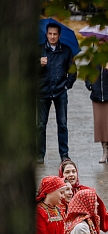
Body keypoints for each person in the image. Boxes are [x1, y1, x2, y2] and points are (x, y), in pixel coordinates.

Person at [37, 22, 77, 164]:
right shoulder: (39, 50)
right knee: (41, 124)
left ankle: (64, 154)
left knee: (62, 124)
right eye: (50, 34)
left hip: (60, 92)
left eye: (55, 34)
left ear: (59, 35)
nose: (52, 37)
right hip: (42, 92)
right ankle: (39, 155)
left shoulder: (66, 51)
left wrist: (66, 86)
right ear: (46, 34)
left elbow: (73, 71)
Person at [59, 159, 108, 232]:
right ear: (61, 174)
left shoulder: (84, 191)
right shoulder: (57, 194)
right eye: (67, 172)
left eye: (73, 171)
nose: (71, 174)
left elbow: (99, 210)